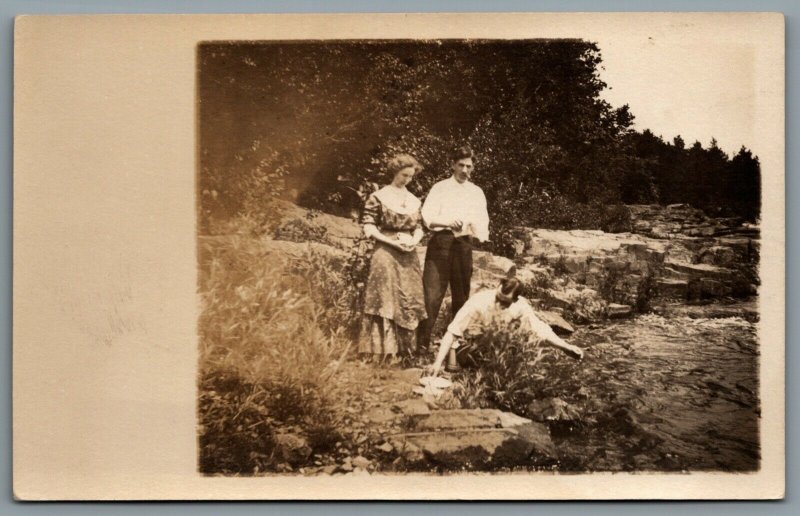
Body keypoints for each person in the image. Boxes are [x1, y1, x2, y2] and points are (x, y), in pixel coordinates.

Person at [429, 278, 584, 377]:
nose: (498, 304)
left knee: (523, 344)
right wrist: (437, 363)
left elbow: (540, 329)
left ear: (515, 300)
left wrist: (566, 347)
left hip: (500, 350)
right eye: (498, 298)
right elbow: (452, 331)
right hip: (471, 348)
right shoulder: (478, 302)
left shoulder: (520, 306)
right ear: (498, 288)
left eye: (504, 302)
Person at [417, 145, 490, 352]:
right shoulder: (440, 188)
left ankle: (456, 346)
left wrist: (477, 231)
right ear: (452, 165)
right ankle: (421, 344)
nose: (465, 170)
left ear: (473, 167)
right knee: (431, 294)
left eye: (469, 166)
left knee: (461, 295)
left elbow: (482, 221)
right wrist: (448, 222)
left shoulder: (476, 192)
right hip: (441, 242)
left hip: (463, 245)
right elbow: (428, 216)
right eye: (461, 165)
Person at [359, 154, 428, 362]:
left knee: (408, 295)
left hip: (408, 253)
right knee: (384, 296)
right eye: (403, 175)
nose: (407, 180)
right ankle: (381, 352)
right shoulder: (379, 196)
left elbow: (419, 227)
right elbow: (368, 226)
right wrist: (392, 242)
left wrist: (414, 240)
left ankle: (404, 351)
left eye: (410, 176)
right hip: (386, 251)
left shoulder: (414, 200)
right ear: (395, 172)